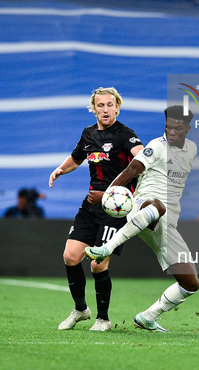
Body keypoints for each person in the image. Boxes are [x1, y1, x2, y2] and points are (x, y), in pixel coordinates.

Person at [84, 105, 199, 333]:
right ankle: (107, 247)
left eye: (177, 128)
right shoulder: (156, 146)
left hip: (167, 223)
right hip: (143, 206)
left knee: (190, 284)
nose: (171, 132)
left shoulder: (192, 149)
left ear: (187, 128)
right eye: (167, 127)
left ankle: (147, 317)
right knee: (156, 205)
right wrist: (108, 194)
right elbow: (131, 170)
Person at [49, 87, 143, 332]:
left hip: (115, 209)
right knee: (70, 256)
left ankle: (103, 319)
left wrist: (111, 193)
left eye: (110, 105)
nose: (105, 109)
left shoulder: (125, 134)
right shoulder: (88, 134)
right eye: (100, 105)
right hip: (91, 204)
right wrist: (60, 169)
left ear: (117, 107)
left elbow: (142, 159)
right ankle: (81, 309)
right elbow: (77, 158)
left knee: (98, 264)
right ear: (93, 109)